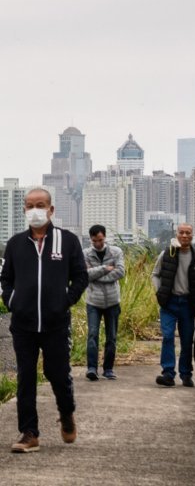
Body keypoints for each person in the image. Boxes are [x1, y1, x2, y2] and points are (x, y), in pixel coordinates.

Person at [0, 187, 88, 453]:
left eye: (40, 205)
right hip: (23, 324)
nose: (34, 210)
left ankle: (67, 412)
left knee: (58, 374)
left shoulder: (68, 241)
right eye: (29, 205)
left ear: (51, 210)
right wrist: (11, 300)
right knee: (26, 377)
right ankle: (29, 433)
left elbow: (81, 276)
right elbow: (6, 279)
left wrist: (65, 301)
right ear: (24, 210)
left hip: (55, 324)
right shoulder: (15, 243)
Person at [151, 223, 195, 388]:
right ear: (177, 234)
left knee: (187, 340)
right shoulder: (167, 254)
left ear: (192, 235)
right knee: (168, 337)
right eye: (181, 233)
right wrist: (159, 292)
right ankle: (168, 373)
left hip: (188, 304)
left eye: (188, 233)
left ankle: (186, 374)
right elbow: (155, 274)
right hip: (169, 303)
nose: (184, 236)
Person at [83, 224, 125, 381]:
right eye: (94, 241)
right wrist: (104, 268)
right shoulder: (85, 254)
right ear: (91, 239)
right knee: (92, 335)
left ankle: (108, 369)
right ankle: (92, 368)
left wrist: (96, 275)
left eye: (100, 240)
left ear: (105, 237)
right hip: (93, 301)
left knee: (111, 337)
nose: (98, 244)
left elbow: (120, 272)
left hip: (113, 301)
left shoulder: (116, 252)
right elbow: (85, 275)